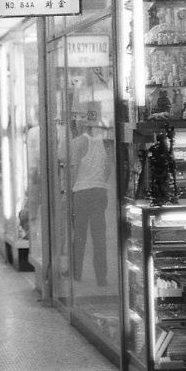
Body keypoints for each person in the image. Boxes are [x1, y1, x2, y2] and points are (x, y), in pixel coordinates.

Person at [69, 119, 112, 287]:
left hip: (81, 192)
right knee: (99, 237)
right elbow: (108, 169)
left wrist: (71, 190)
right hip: (99, 192)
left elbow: (73, 170)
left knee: (79, 235)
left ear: (83, 126)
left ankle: (77, 273)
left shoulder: (77, 143)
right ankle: (101, 277)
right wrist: (99, 182)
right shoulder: (104, 145)